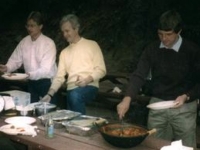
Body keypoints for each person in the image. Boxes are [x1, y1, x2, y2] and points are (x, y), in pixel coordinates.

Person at [117, 10, 200, 148]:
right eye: (160, 34)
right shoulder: (152, 49)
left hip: (184, 107)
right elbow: (139, 74)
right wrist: (127, 99)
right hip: (158, 105)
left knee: (186, 147)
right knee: (155, 145)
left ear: (178, 32)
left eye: (168, 34)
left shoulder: (192, 51)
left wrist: (188, 96)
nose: (164, 39)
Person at [40, 14, 106, 115]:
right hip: (71, 91)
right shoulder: (64, 52)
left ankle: (81, 125)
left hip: (89, 86)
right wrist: (50, 94)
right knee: (71, 106)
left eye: (67, 31)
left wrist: (86, 80)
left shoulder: (92, 45)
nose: (65, 34)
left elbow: (101, 70)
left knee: (74, 96)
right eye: (63, 32)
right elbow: (59, 77)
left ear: (76, 29)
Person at [0, 11, 57, 104]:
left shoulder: (49, 43)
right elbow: (15, 60)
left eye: (32, 25)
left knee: (48, 114)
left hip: (46, 83)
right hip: (31, 83)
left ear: (40, 26)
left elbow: (46, 69)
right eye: (28, 26)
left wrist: (29, 74)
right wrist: (7, 67)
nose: (29, 28)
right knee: (32, 113)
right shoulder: (24, 42)